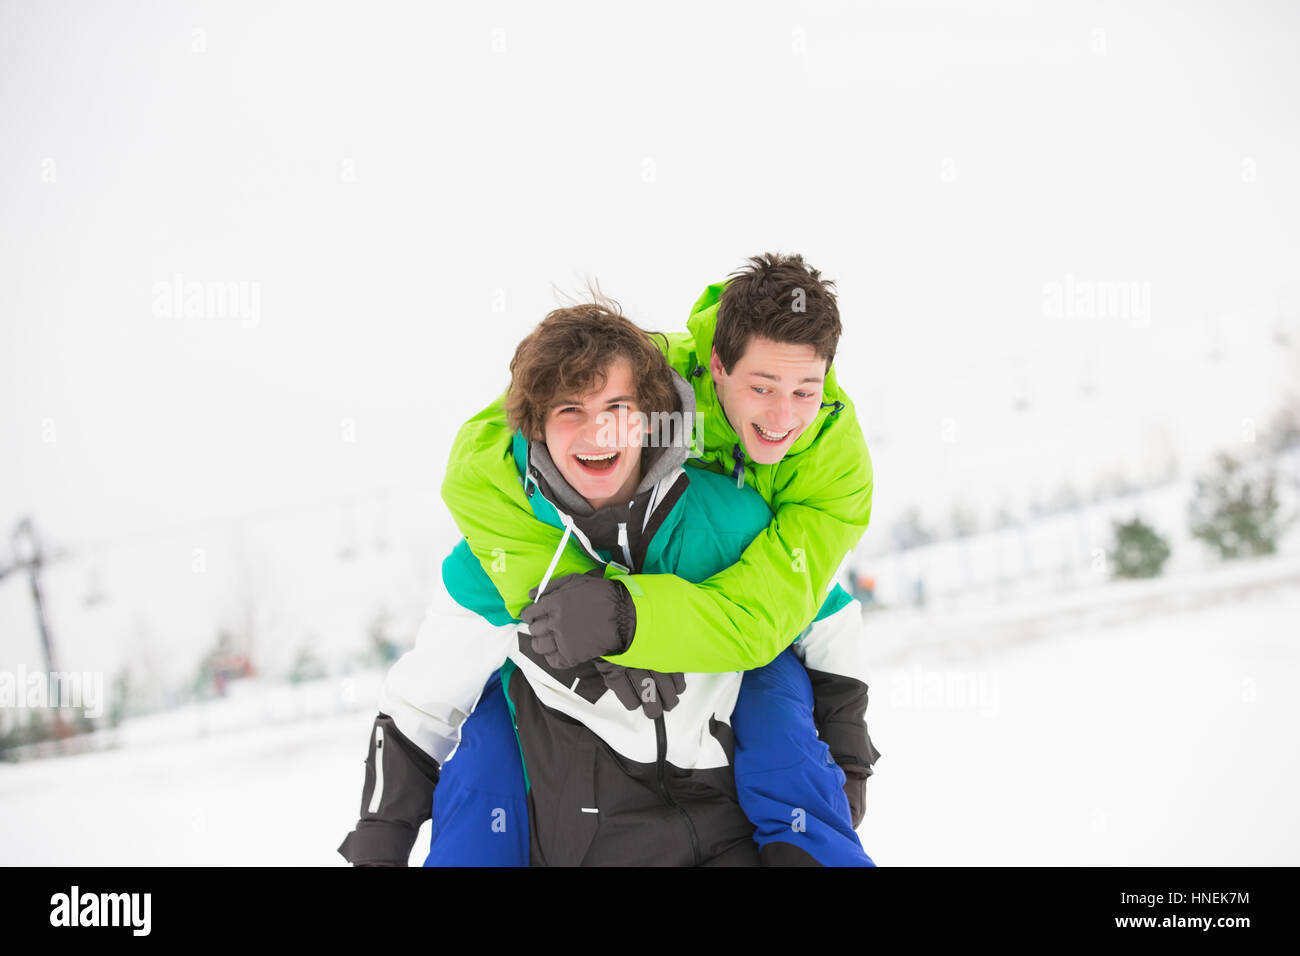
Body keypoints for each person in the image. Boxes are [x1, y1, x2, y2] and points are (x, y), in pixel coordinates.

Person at [339, 253, 880, 864]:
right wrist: (380, 837)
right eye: (570, 412)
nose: (598, 432)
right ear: (535, 427)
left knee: (777, 702)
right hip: (580, 835)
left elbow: (814, 610)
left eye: (617, 411)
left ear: (650, 417)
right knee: (488, 739)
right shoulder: (502, 553)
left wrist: (632, 624)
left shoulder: (731, 518)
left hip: (720, 821)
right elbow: (423, 701)